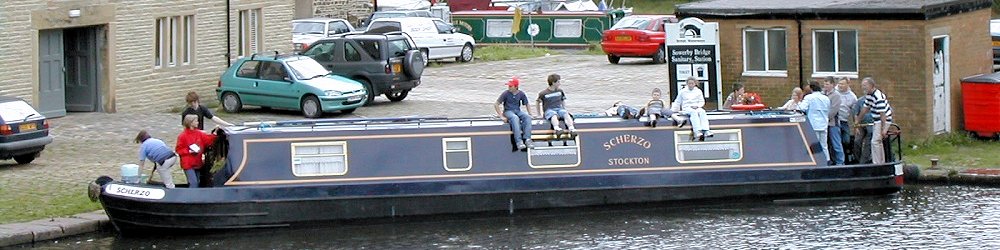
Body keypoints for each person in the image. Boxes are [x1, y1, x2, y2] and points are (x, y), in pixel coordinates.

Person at [857, 77, 893, 164]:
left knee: (875, 141)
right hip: (877, 120)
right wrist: (857, 121)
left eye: (865, 85)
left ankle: (877, 163)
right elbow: (865, 108)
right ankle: (881, 162)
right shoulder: (869, 95)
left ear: (871, 86)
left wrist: (884, 129)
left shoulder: (878, 96)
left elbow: (882, 114)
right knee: (878, 142)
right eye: (862, 85)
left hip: (883, 119)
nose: (863, 87)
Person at [176, 114, 218, 188]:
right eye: (196, 121)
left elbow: (207, 140)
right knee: (193, 183)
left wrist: (215, 134)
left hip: (197, 162)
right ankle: (191, 198)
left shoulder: (199, 133)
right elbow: (179, 150)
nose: (198, 122)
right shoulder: (182, 136)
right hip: (188, 163)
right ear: (190, 123)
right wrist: (189, 151)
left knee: (198, 181)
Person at [495, 76, 536, 150]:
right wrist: (501, 116)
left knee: (527, 117)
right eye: (509, 86)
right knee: (514, 118)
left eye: (511, 86)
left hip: (517, 110)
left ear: (516, 86)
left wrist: (530, 114)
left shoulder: (521, 94)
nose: (509, 87)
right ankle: (518, 141)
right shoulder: (505, 93)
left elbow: (527, 104)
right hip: (508, 111)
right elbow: (496, 104)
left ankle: (527, 139)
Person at [798, 81, 831, 164]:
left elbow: (801, 108)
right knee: (824, 145)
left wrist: (798, 103)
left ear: (811, 88)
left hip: (813, 124)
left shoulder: (809, 97)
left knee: (813, 144)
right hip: (824, 124)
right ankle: (827, 161)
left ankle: (815, 162)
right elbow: (828, 110)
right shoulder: (826, 98)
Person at [671, 76, 712, 140]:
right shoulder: (682, 91)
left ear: (695, 83)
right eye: (689, 83)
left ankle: (706, 130)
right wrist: (672, 111)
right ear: (687, 84)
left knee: (702, 111)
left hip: (696, 107)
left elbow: (702, 101)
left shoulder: (698, 91)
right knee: (693, 112)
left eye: (692, 83)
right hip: (686, 108)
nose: (690, 85)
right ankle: (697, 131)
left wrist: (697, 106)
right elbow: (677, 101)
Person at [836, 77, 860, 163]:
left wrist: (856, 125)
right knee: (836, 141)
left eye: (842, 84)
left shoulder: (852, 96)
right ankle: (839, 160)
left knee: (846, 140)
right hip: (835, 120)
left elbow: (855, 112)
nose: (840, 86)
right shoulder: (834, 92)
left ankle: (846, 157)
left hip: (844, 120)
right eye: (839, 83)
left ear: (847, 84)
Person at [822, 77, 845, 165]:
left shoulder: (836, 95)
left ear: (832, 85)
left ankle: (840, 162)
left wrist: (824, 117)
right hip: (824, 123)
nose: (825, 86)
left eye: (827, 84)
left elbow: (833, 110)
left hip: (833, 123)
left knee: (836, 144)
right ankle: (830, 161)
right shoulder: (823, 94)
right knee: (826, 144)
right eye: (824, 84)